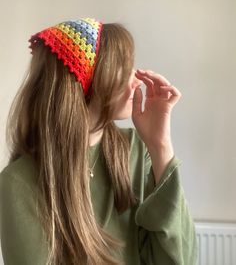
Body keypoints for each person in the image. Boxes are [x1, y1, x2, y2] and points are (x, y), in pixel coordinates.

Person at [0, 18, 197, 265]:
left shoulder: (137, 149)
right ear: (82, 85)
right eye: (123, 68)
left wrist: (161, 146)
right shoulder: (19, 183)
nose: (136, 78)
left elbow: (181, 259)